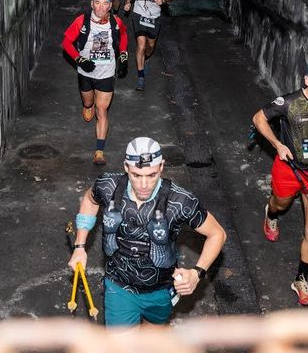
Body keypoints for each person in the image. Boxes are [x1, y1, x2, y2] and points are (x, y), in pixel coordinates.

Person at [68, 137, 227, 327]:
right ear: (126, 167)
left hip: (161, 290)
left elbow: (218, 234)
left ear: (161, 167)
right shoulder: (107, 186)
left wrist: (197, 273)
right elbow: (89, 200)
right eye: (136, 175)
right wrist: (79, 245)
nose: (144, 185)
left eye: (151, 175)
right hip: (119, 286)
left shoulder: (181, 201)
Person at [250, 59, 308, 306]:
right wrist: (278, 145)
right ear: (307, 80)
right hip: (289, 168)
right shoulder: (288, 103)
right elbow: (259, 118)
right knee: (280, 205)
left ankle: (300, 279)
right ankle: (270, 213)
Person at [62, 0, 129, 165]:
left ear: (110, 6)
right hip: (86, 71)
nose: (101, 7)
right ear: (92, 4)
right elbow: (66, 42)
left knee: (101, 110)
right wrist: (79, 59)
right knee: (88, 103)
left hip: (106, 72)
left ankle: (99, 152)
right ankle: (87, 104)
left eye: (105, 3)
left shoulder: (116, 22)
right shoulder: (82, 21)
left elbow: (123, 36)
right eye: (97, 2)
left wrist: (123, 55)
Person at [123, 0, 174, 91]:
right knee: (141, 44)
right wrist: (128, 3)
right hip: (138, 14)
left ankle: (146, 58)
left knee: (150, 47)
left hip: (153, 17)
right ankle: (141, 77)